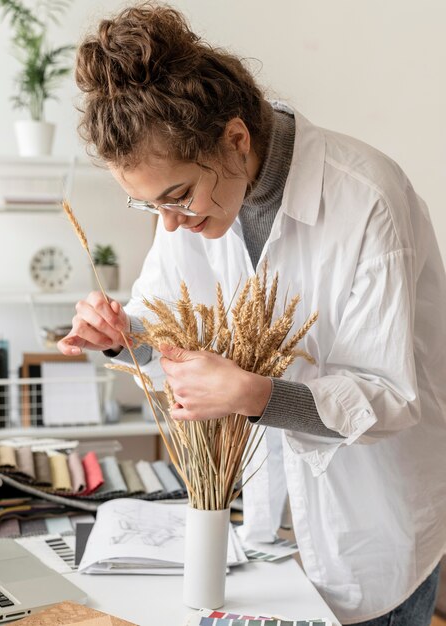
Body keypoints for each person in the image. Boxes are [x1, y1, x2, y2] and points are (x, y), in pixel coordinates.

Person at [58, 3, 446, 624]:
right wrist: (121, 334)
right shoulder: (189, 198)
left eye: (179, 197)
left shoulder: (367, 198)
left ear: (236, 139)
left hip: (374, 527)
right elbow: (168, 322)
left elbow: (391, 397)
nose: (171, 224)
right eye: (149, 206)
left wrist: (256, 395)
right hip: (263, 533)